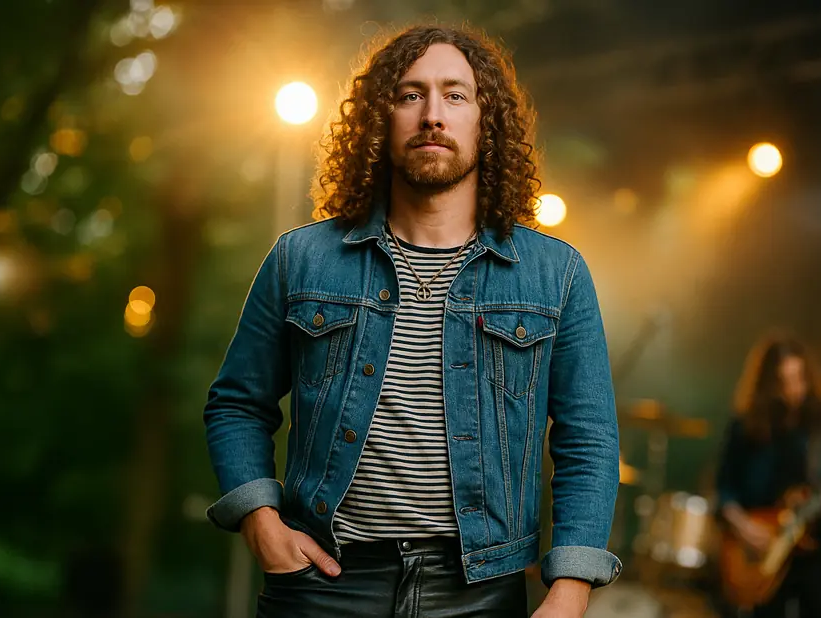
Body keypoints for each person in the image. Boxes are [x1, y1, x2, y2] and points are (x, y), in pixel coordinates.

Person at [202, 24, 621, 618]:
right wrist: (260, 522)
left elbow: (590, 440)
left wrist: (572, 586)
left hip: (481, 590)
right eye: (409, 94)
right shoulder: (301, 259)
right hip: (323, 582)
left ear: (486, 121)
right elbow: (238, 403)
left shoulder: (557, 275)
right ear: (381, 119)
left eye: (455, 95)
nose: (432, 115)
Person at [715, 333, 821, 618]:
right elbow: (723, 489)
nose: (792, 390)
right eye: (782, 381)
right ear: (767, 384)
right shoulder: (747, 425)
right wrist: (743, 526)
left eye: (799, 378)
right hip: (762, 557)